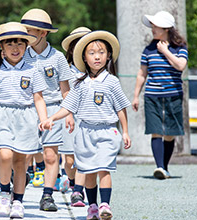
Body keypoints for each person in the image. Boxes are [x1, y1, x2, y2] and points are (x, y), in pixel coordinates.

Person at [40, 30, 131, 220]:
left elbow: (121, 107)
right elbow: (68, 107)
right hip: (85, 132)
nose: (97, 57)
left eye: (101, 52)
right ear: (84, 57)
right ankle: (93, 207)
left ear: (108, 56)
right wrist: (52, 118)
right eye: (92, 53)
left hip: (107, 130)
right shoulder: (80, 83)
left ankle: (105, 204)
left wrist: (125, 132)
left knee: (104, 169)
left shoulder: (112, 82)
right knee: (89, 172)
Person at [0, 22, 47, 218]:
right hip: (2, 116)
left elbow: (39, 97)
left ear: (26, 46)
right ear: (2, 49)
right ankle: (3, 193)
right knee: (4, 155)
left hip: (26, 117)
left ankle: (18, 201)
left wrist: (43, 119)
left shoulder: (33, 70)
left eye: (19, 44)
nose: (15, 48)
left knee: (21, 161)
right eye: (10, 44)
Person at [20, 8, 74, 212]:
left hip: (53, 110)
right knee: (24, 156)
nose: (26, 35)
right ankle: (18, 190)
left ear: (43, 33)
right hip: (27, 109)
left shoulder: (58, 58)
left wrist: (68, 114)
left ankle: (48, 195)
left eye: (30, 31)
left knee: (51, 155)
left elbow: (65, 90)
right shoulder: (20, 55)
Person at [132, 11, 188, 180]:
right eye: (153, 26)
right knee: (155, 131)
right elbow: (142, 74)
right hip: (152, 96)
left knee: (170, 133)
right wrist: (135, 96)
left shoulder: (180, 47)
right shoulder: (148, 50)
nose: (153, 29)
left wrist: (165, 51)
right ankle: (159, 167)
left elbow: (180, 66)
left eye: (156, 26)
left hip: (173, 95)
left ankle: (164, 167)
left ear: (166, 28)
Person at [60, 26, 91, 206]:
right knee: (69, 159)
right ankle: (72, 182)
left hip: (89, 118)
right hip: (69, 116)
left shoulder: (96, 70)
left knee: (83, 156)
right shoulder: (66, 69)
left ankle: (78, 192)